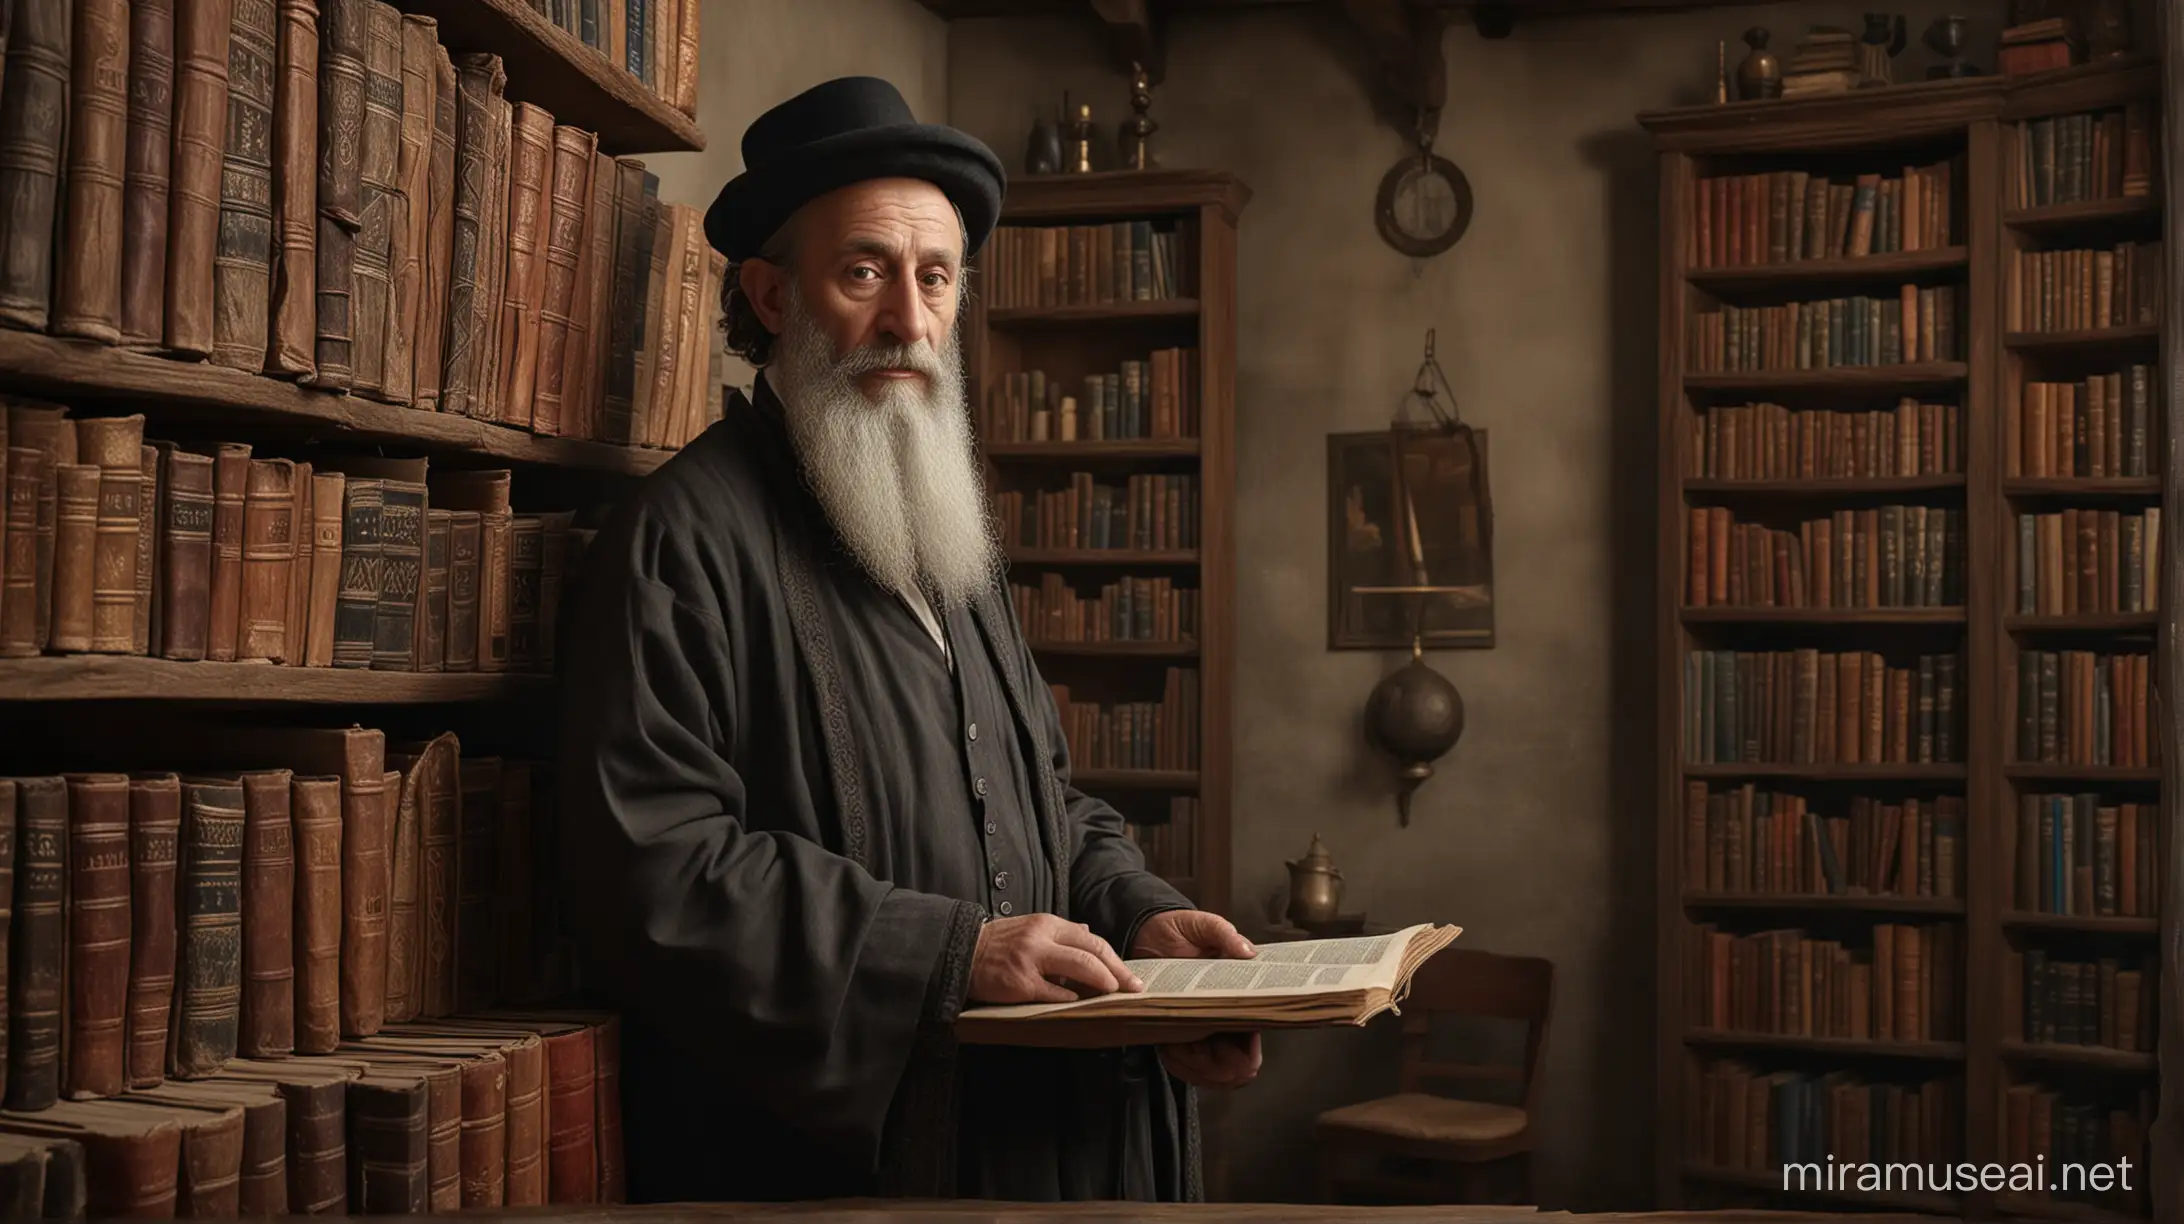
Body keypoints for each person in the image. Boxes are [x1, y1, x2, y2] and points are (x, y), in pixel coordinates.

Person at [557, 75, 1262, 1204]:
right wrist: (949, 956)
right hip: (848, 1168)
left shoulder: (945, 538)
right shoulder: (684, 539)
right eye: (864, 272)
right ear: (773, 296)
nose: (911, 320)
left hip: (1043, 1143)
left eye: (935, 278)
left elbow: (1046, 806)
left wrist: (1138, 915)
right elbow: (658, 870)